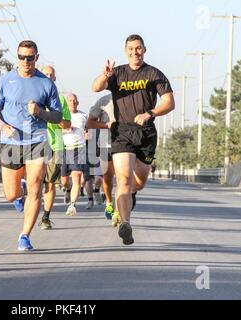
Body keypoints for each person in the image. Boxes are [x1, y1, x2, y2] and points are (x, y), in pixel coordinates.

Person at [92, 34, 175, 245]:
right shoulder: (117, 73)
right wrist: (104, 76)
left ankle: (132, 195)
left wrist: (151, 113)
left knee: (139, 182)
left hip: (146, 133)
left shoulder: (154, 73)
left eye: (138, 48)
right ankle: (125, 224)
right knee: (124, 179)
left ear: (144, 49)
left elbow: (169, 102)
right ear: (125, 50)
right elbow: (95, 87)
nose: (134, 52)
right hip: (122, 132)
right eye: (130, 49)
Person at [0, 40, 62, 251]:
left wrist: (40, 113)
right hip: (11, 141)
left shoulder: (46, 83)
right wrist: (3, 126)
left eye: (30, 57)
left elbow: (57, 116)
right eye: (22, 57)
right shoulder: (6, 80)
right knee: (10, 195)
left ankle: (25, 236)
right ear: (17, 57)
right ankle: (18, 192)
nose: (26, 61)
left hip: (37, 140)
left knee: (36, 187)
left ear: (37, 57)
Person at [39, 66, 71, 230]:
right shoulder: (34, 96)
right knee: (35, 182)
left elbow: (67, 124)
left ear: (55, 79)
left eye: (51, 75)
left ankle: (45, 217)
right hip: (36, 144)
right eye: (45, 74)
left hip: (56, 146)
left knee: (49, 184)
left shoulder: (60, 99)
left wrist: (54, 116)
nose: (49, 77)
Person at [86, 94, 120, 226]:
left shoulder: (130, 97)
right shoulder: (103, 100)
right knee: (107, 176)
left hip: (124, 142)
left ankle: (118, 210)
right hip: (105, 142)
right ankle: (109, 203)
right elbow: (90, 122)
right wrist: (107, 125)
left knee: (122, 178)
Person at [61, 93, 89, 216]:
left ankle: (72, 205)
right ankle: (67, 189)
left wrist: (88, 135)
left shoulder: (83, 116)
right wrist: (65, 128)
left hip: (79, 149)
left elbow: (89, 130)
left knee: (77, 177)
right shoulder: (61, 116)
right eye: (70, 100)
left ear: (78, 102)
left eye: (74, 100)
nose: (72, 102)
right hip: (65, 149)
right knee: (64, 181)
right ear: (67, 103)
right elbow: (54, 131)